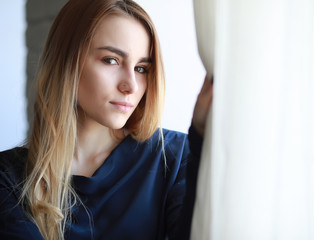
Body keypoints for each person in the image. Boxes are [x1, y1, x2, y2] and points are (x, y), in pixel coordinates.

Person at [0, 0, 212, 239]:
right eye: (111, 60)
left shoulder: (175, 157)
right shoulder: (9, 177)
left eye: (142, 68)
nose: (130, 85)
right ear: (67, 61)